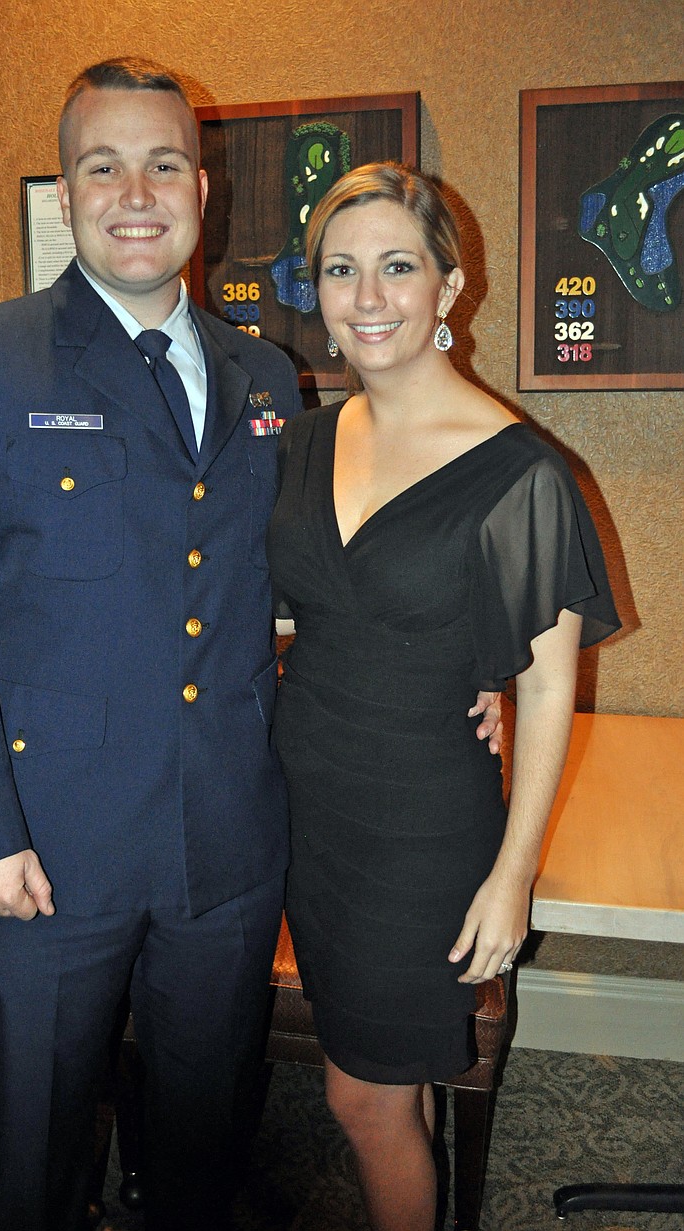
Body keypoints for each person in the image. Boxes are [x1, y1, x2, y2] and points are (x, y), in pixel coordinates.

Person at [0, 61, 502, 1230]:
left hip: (223, 840)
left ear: (201, 192)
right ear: (67, 192)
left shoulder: (267, 375)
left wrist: (458, 679)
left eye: (162, 163)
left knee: (208, 1132)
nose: (134, 190)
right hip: (40, 848)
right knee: (40, 1147)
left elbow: (327, 571)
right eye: (101, 164)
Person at [266, 162, 621, 1231]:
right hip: (309, 810)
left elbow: (552, 682)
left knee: (359, 1097)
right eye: (339, 270)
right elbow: (293, 616)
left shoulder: (521, 473)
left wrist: (513, 875)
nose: (366, 298)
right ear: (315, 291)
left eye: (395, 267)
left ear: (448, 289)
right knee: (388, 1077)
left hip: (419, 827)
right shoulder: (306, 439)